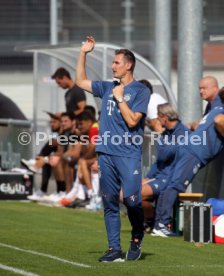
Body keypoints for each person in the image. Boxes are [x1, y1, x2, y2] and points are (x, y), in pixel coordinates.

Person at [75, 36, 150, 262]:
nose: (112, 66)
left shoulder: (140, 91)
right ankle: (114, 249)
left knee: (132, 200)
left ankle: (137, 236)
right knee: (109, 200)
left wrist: (120, 99)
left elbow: (132, 122)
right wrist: (84, 53)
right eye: (113, 62)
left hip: (128, 154)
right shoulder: (108, 86)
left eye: (117, 62)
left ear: (128, 65)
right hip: (106, 153)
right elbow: (80, 81)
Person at [153, 89, 224, 237]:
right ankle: (161, 224)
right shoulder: (220, 111)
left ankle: (159, 223)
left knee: (170, 185)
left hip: (188, 148)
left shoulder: (217, 107)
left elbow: (201, 123)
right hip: (195, 152)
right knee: (176, 185)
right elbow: (218, 121)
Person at [141, 103, 190, 231]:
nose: (157, 119)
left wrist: (159, 134)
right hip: (160, 175)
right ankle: (151, 220)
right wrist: (148, 177)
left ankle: (153, 221)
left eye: (158, 116)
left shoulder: (182, 133)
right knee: (126, 194)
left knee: (134, 194)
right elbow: (159, 161)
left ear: (164, 117)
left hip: (170, 177)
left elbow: (164, 154)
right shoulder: (167, 133)